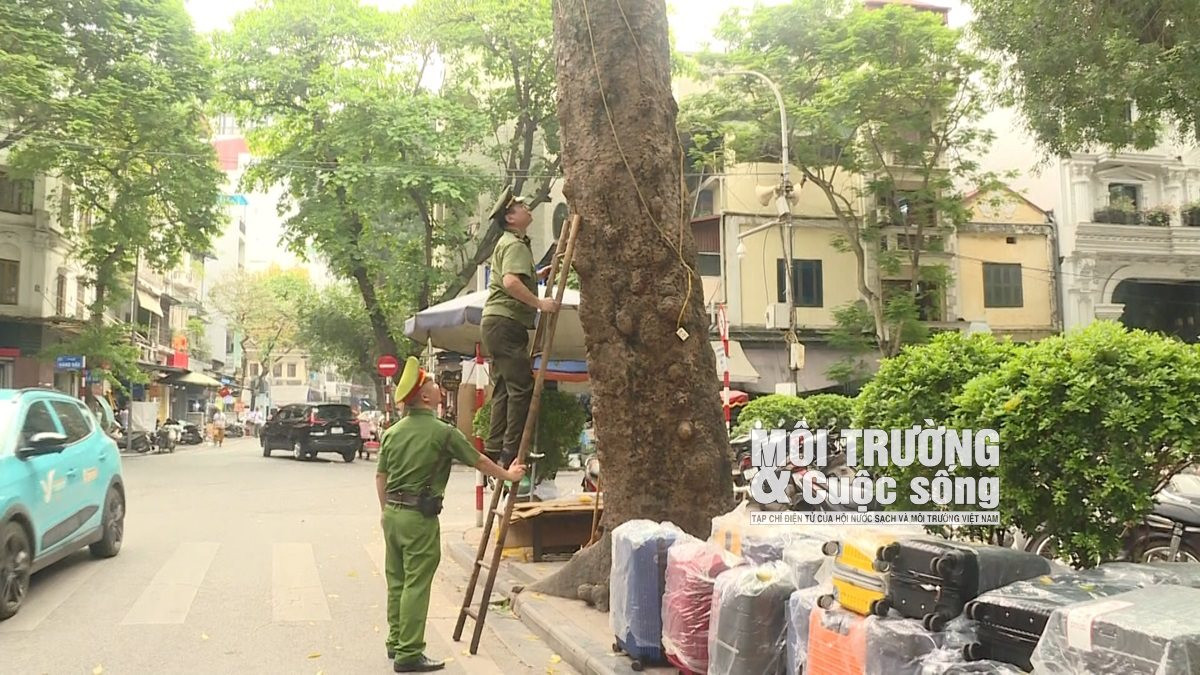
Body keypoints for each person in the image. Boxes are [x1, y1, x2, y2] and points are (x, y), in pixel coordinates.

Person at [376, 356, 525, 673]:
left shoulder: (392, 432)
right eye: (432, 383)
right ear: (425, 397)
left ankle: (395, 640)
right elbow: (480, 462)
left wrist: (385, 512)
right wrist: (509, 476)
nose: (438, 386)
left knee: (397, 581)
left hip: (391, 514)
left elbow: (381, 477)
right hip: (419, 518)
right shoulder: (443, 432)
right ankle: (409, 653)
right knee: (416, 583)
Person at [480, 186, 558, 469]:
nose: (528, 208)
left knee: (503, 386)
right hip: (506, 323)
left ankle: (494, 448)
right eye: (522, 206)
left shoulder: (512, 243)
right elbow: (511, 282)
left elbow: (513, 277)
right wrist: (539, 303)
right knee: (522, 387)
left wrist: (536, 276)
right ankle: (511, 452)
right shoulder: (513, 244)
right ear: (511, 218)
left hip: (496, 324)